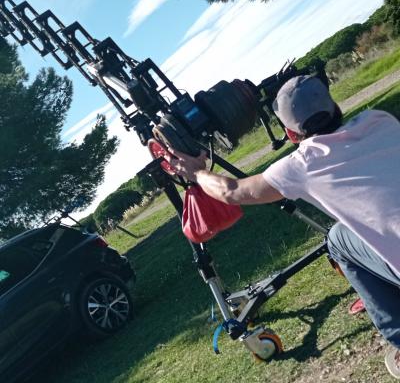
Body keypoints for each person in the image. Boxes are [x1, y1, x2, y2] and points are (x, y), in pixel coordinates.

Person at [165, 75, 400, 379]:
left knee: (337, 241)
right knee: (346, 232)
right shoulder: (379, 120)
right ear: (334, 105)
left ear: (290, 134)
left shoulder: (302, 165)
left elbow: (231, 191)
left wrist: (197, 173)